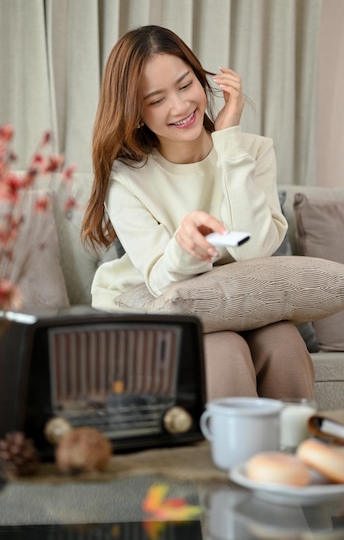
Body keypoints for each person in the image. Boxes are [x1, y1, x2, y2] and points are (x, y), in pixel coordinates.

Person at [82, 25, 315, 401]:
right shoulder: (126, 179)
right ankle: (227, 458)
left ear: (201, 79)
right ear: (135, 112)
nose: (180, 106)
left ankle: (291, 455)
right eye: (156, 100)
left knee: (284, 343)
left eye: (185, 84)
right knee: (223, 350)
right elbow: (160, 279)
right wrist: (185, 246)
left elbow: (254, 252)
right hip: (153, 303)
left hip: (234, 303)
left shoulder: (251, 153)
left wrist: (228, 140)